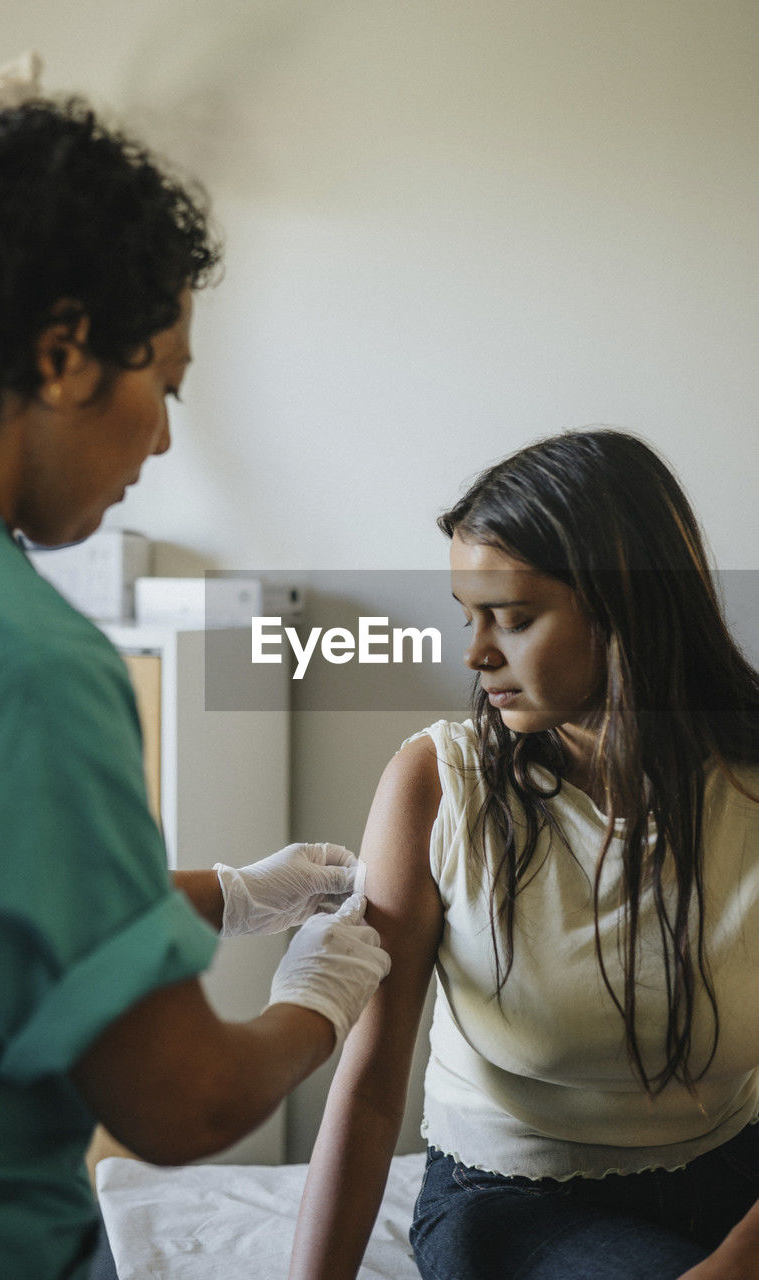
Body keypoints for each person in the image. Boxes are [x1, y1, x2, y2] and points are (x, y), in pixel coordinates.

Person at [0, 93, 390, 1280]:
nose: (166, 440)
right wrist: (319, 996)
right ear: (64, 352)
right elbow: (182, 1100)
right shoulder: (20, 659)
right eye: (164, 383)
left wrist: (229, 895)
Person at [288, 429, 759, 1280]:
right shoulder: (437, 782)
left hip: (735, 1170)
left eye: (512, 619)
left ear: (624, 608)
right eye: (469, 619)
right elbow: (367, 1084)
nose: (475, 655)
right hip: (513, 1198)